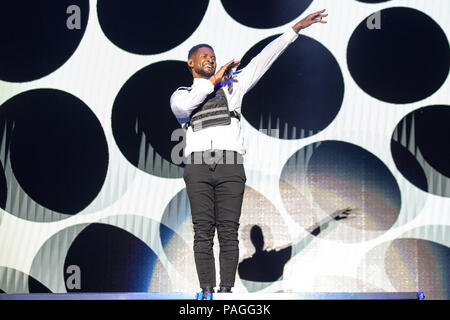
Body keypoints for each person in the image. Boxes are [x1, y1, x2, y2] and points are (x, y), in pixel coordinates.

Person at [170, 9, 328, 297]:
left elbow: (263, 60)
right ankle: (206, 291)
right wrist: (214, 81)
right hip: (198, 166)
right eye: (204, 56)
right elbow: (186, 106)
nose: (210, 59)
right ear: (191, 63)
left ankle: (225, 291)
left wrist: (294, 30)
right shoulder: (181, 95)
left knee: (228, 230)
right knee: (203, 231)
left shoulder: (235, 86)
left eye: (213, 56)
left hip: (230, 164)